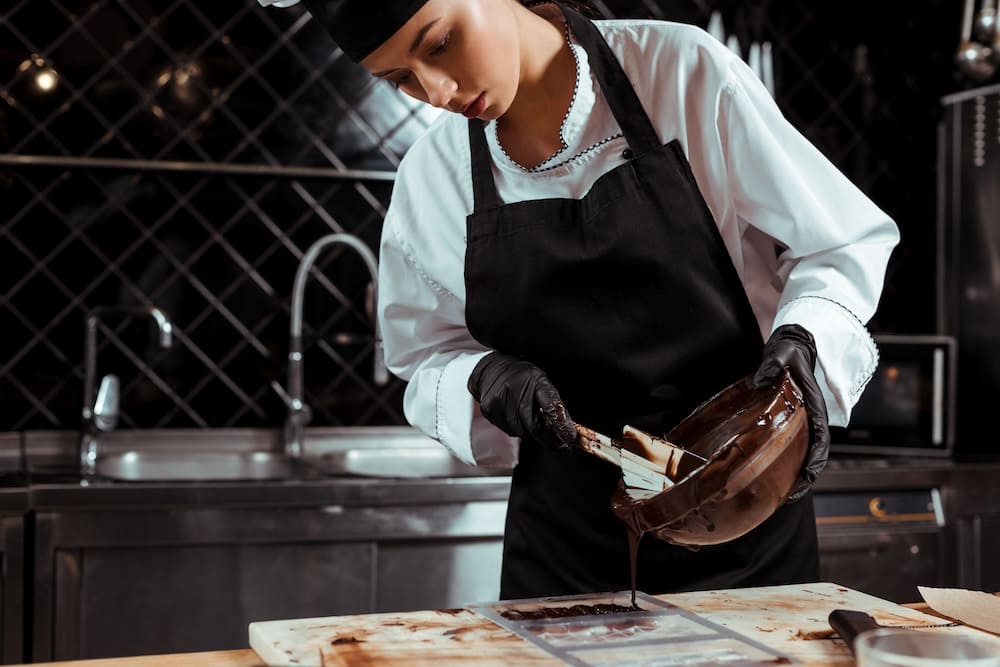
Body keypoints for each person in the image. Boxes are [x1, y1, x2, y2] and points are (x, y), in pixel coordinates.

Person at [258, 0, 900, 599]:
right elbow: (423, 355)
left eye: (441, 42)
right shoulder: (434, 178)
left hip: (742, 511)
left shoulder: (679, 72)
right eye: (399, 77)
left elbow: (839, 244)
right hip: (563, 555)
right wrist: (481, 377)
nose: (437, 93)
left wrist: (807, 340)